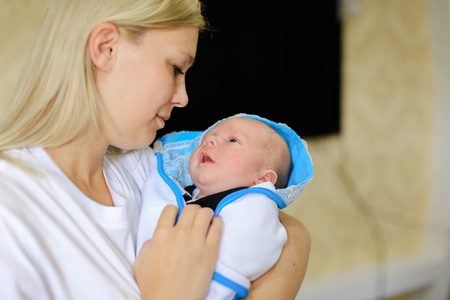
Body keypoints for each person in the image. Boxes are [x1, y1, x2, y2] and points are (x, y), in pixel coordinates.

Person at [0, 0, 311, 299]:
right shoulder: (11, 213)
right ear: (106, 48)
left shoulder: (145, 171)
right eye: (176, 68)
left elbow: (294, 235)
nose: (183, 97)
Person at [137, 114, 314, 299]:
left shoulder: (254, 205)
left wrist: (212, 285)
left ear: (263, 179)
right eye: (207, 138)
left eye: (233, 140)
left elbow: (249, 247)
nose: (209, 140)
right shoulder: (183, 191)